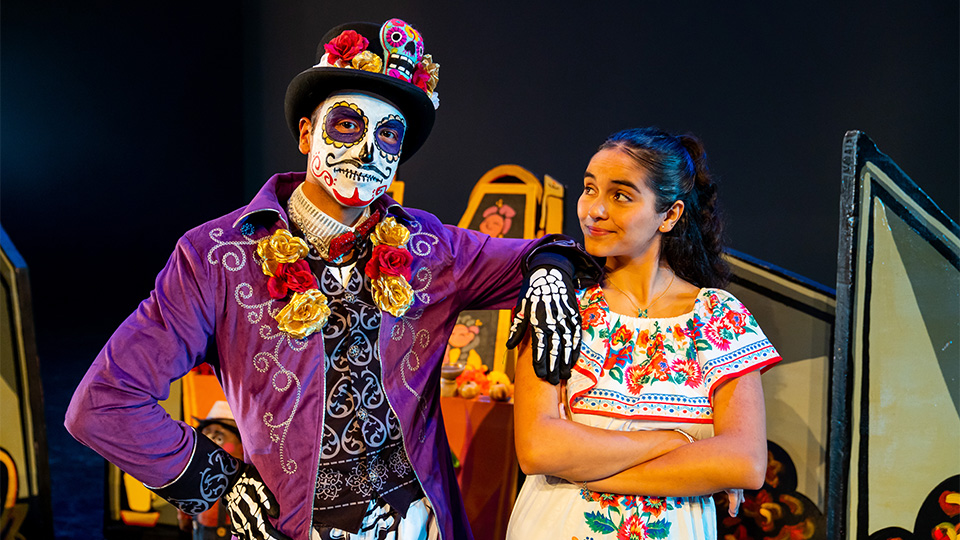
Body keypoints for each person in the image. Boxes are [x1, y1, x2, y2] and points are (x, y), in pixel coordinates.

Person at [66, 18, 595, 540]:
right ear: (305, 133)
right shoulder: (217, 256)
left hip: (418, 523)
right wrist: (220, 480)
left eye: (388, 135)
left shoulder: (429, 247)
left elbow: (542, 253)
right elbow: (105, 401)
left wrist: (550, 271)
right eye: (347, 125)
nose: (369, 151)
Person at [506, 127, 782, 539]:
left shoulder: (719, 316)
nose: (594, 210)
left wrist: (584, 469)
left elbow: (744, 462)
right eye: (589, 189)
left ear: (669, 215)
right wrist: (674, 441)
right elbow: (538, 448)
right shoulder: (554, 302)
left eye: (620, 195)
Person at [177, 401, 245, 540]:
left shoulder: (246, 479)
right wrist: (183, 516)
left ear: (242, 447)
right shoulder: (196, 474)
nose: (211, 444)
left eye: (219, 438)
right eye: (206, 437)